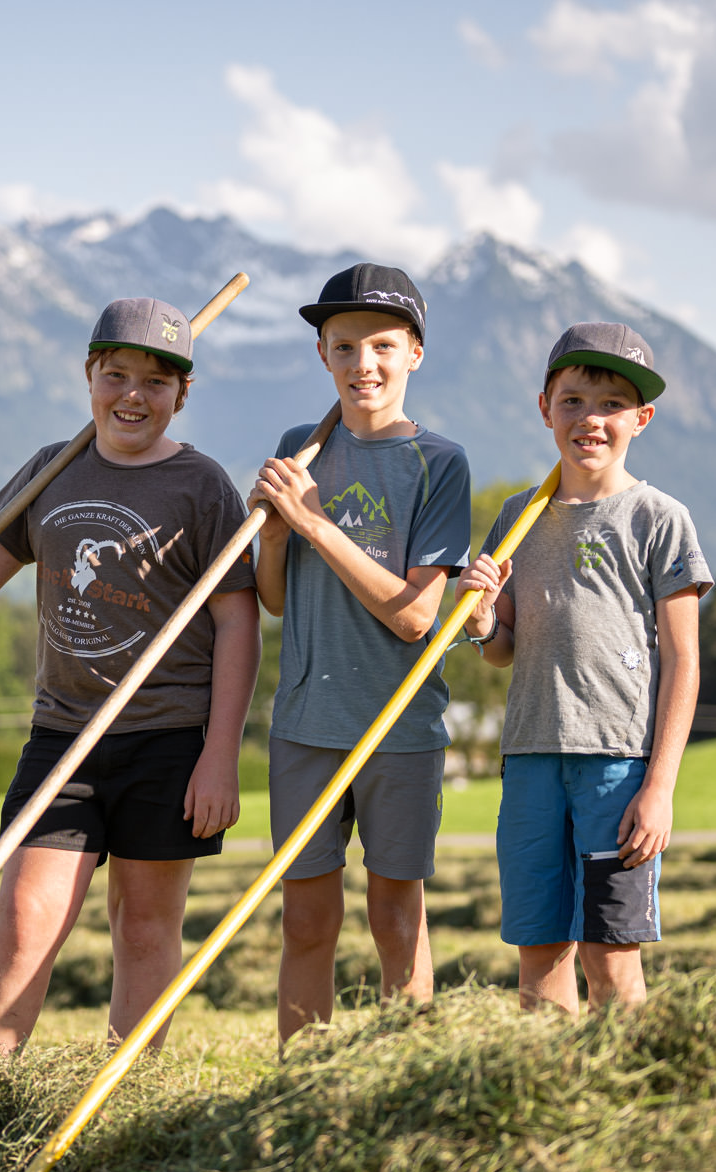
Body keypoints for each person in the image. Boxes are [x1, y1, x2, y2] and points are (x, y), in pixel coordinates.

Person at [0, 297, 260, 1052]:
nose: (134, 395)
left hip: (168, 740)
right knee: (27, 916)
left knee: (146, 924)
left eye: (157, 382)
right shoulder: (52, 469)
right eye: (116, 374)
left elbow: (237, 621)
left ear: (182, 394)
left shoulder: (203, 486)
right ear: (89, 375)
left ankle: (123, 1096)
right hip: (62, 734)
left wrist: (220, 754)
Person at [456, 322, 710, 1015]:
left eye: (610, 404)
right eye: (572, 400)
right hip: (532, 757)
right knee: (540, 956)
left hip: (618, 766)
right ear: (545, 407)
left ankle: (622, 1102)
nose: (590, 418)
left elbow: (684, 660)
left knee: (610, 953)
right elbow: (503, 645)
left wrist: (658, 787)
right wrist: (479, 619)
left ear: (641, 419)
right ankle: (553, 1107)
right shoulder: (517, 517)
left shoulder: (659, 520)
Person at [250, 264, 473, 1045]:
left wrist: (312, 525)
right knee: (307, 920)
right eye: (343, 347)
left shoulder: (438, 464)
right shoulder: (298, 450)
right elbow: (275, 598)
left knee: (395, 916)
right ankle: (299, 1090)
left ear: (415, 352)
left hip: (400, 728)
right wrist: (274, 535)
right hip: (308, 721)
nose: (363, 365)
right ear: (322, 355)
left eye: (382, 345)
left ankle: (398, 1082)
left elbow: (416, 616)